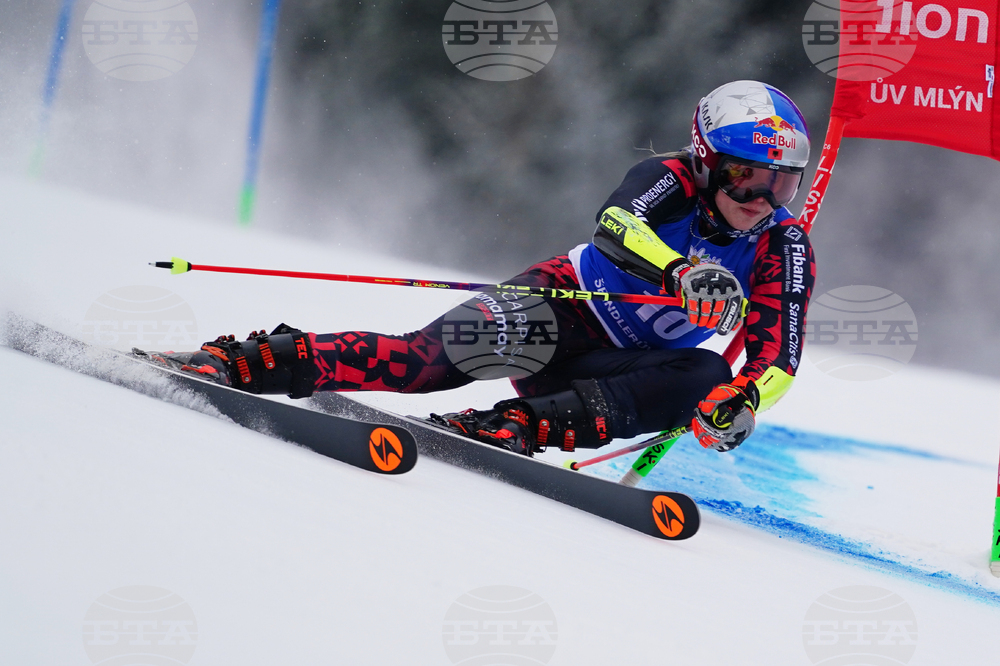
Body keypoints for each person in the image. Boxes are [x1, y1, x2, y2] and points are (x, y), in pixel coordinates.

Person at [153, 80, 816, 457]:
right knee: (419, 365)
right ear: (704, 162)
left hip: (607, 377)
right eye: (746, 178)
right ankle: (252, 361)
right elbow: (616, 227)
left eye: (781, 185)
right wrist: (679, 273)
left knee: (708, 373)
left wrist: (744, 399)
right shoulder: (666, 178)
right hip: (557, 308)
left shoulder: (782, 247)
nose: (760, 201)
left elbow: (779, 357)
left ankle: (516, 427)